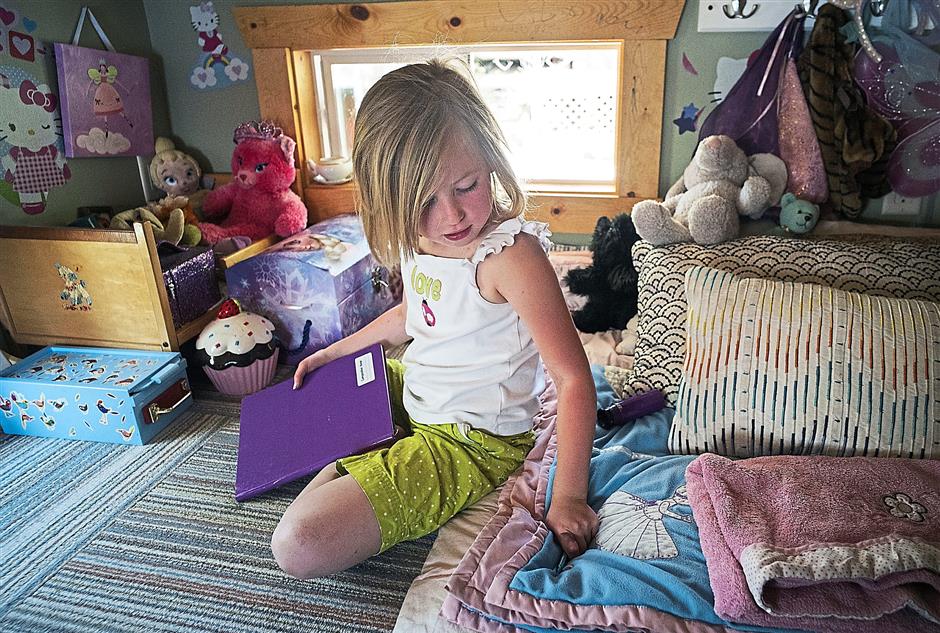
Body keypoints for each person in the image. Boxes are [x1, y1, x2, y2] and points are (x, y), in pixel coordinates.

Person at [271, 59, 598, 579]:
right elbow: (413, 315)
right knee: (310, 395)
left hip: (471, 440)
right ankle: (370, 446)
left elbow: (573, 378)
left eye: (466, 185)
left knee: (297, 544)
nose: (452, 216)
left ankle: (363, 457)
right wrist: (335, 352)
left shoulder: (510, 257)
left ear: (490, 159)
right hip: (418, 387)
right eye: (423, 201)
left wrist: (570, 497)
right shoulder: (418, 237)